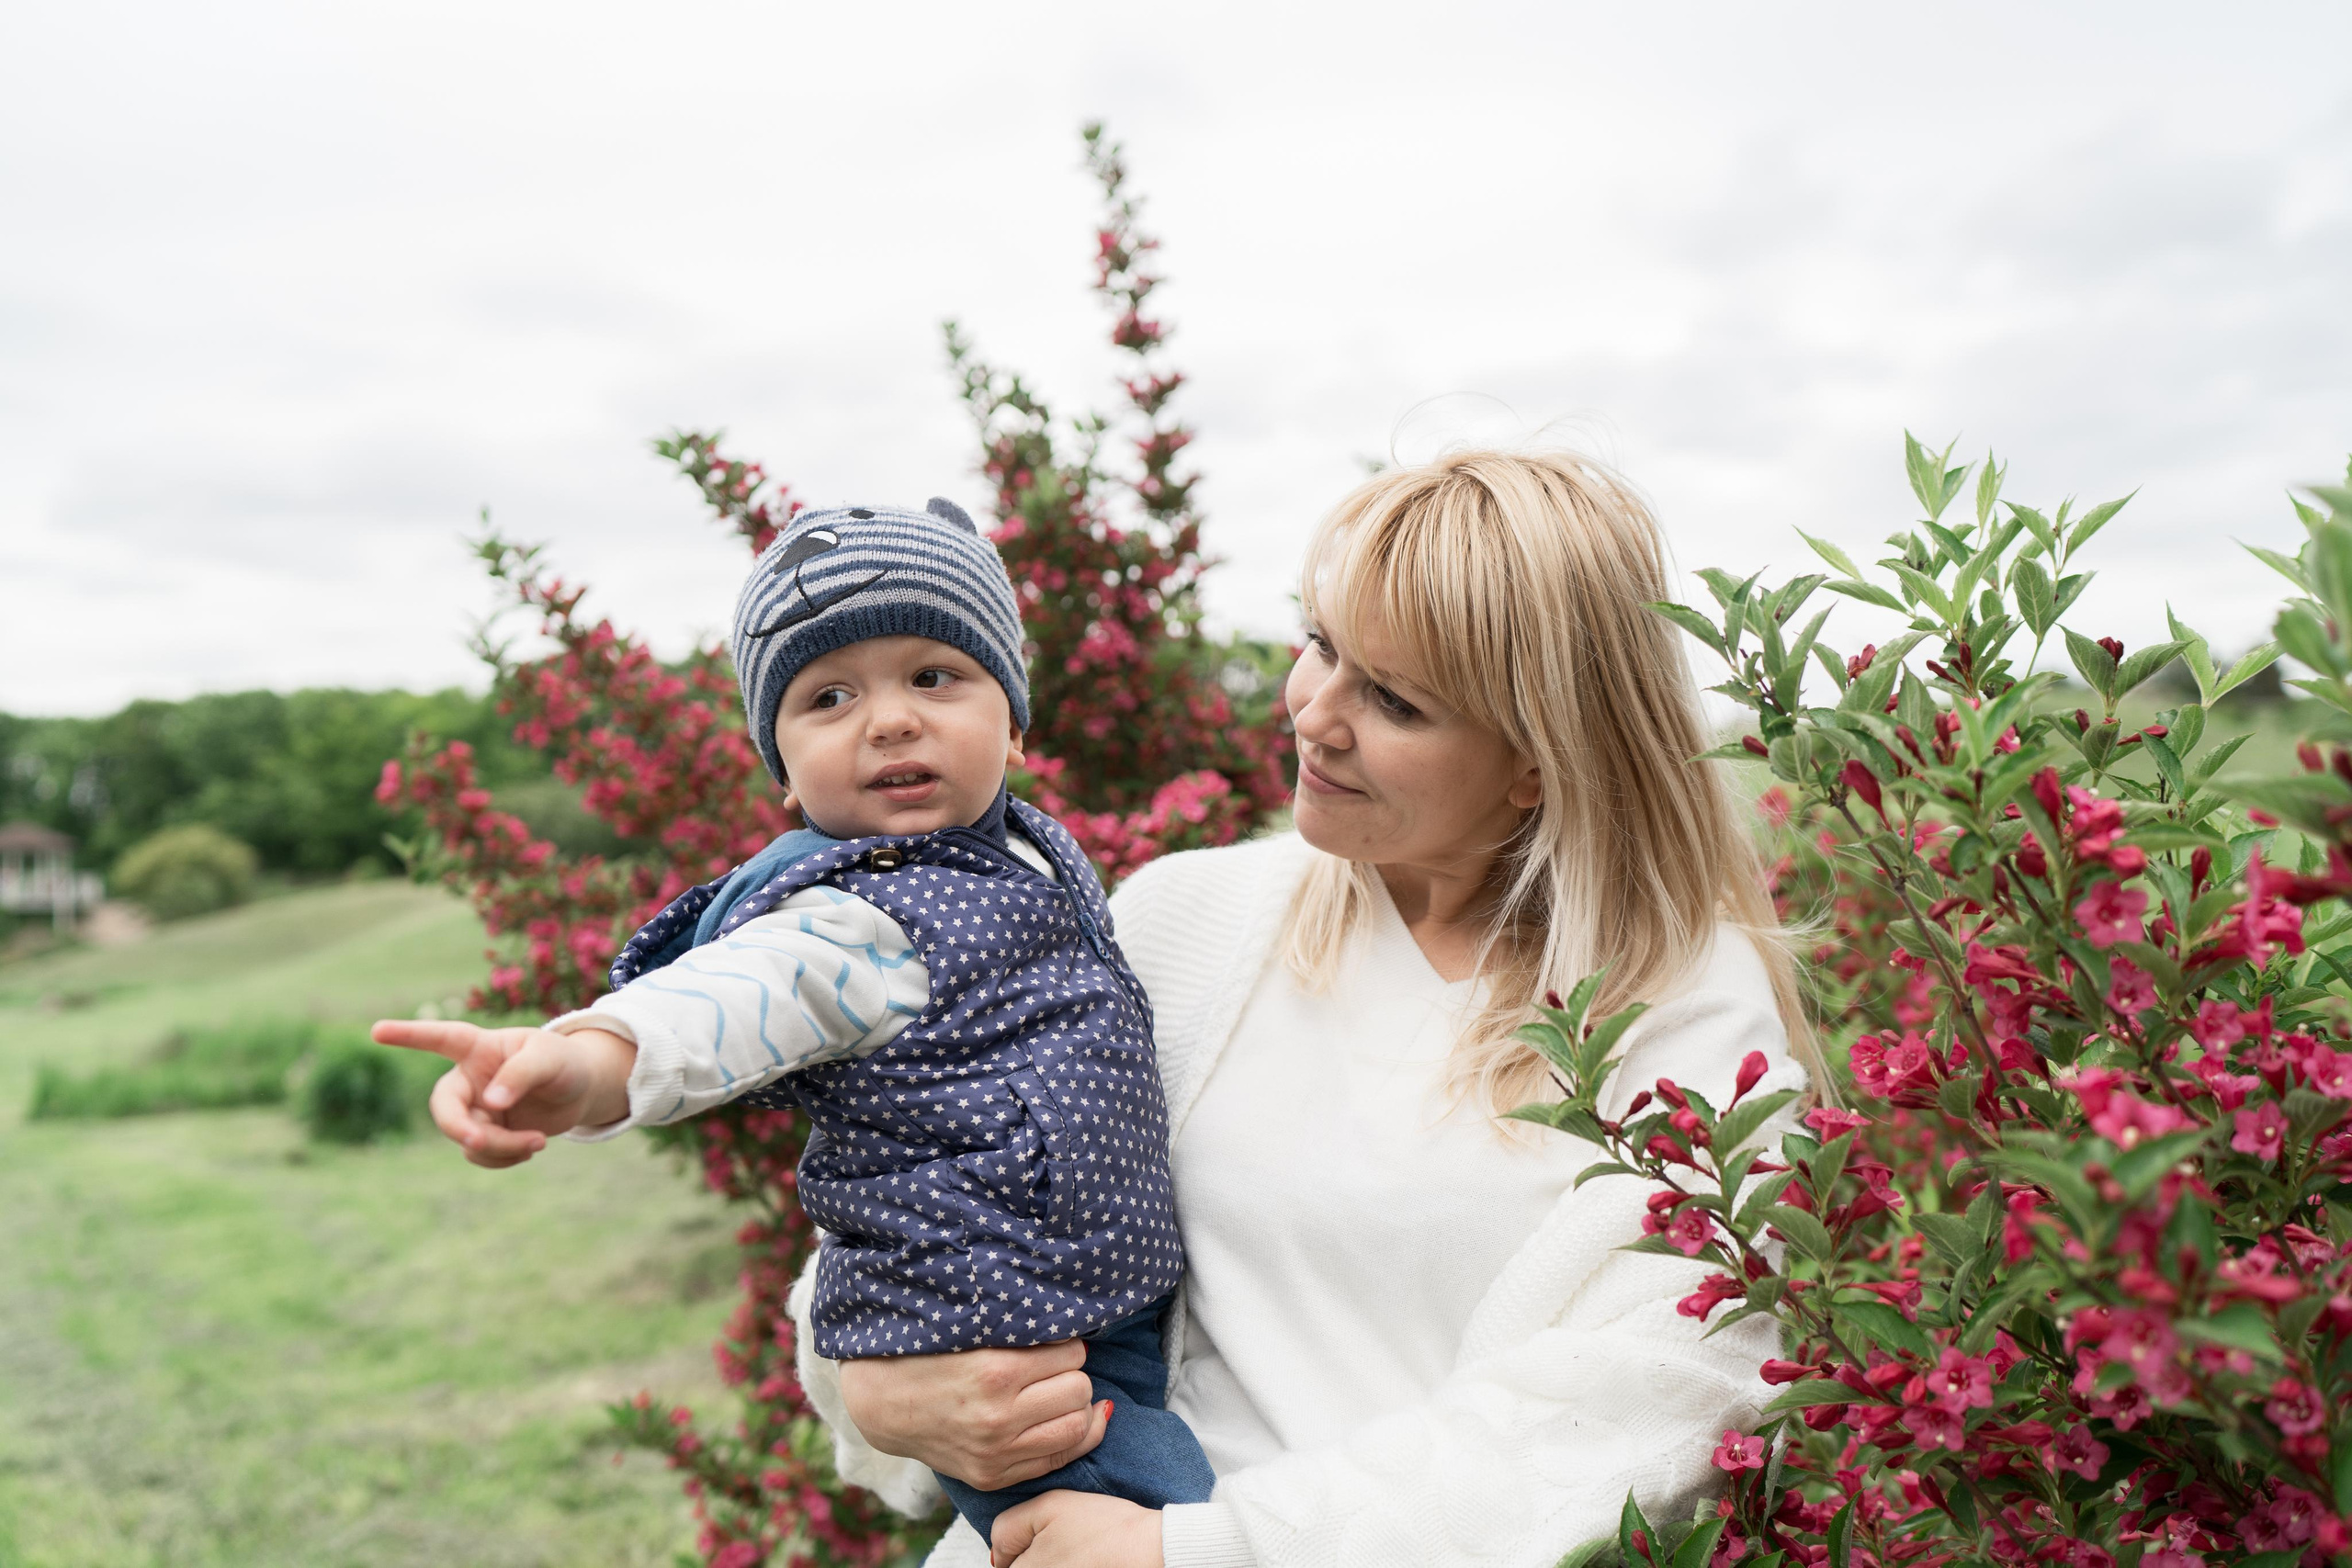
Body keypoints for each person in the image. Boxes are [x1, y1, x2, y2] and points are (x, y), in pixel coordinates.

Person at [791, 450, 1823, 1568]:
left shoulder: (1684, 1007)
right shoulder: (1185, 920)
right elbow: (921, 1199)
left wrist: (1198, 1550)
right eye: (1324, 643)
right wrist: (880, 1386)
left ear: (1537, 758)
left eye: (1393, 700)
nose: (1314, 713)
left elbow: (1662, 1392)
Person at [372, 497, 1214, 1547]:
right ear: (780, 769)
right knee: (1150, 1527)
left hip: (1086, 1299)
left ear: (1014, 711)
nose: (890, 718)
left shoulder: (1022, 856)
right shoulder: (857, 921)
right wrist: (584, 1064)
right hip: (990, 1336)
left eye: (933, 675)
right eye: (828, 697)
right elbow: (725, 1005)